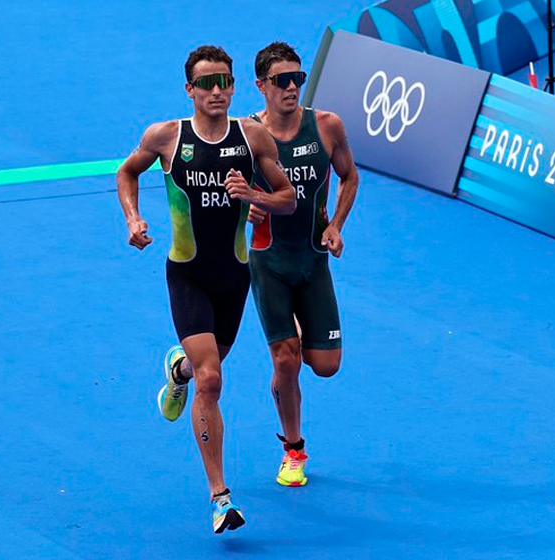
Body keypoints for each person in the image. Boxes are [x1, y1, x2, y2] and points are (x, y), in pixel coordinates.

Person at [116, 45, 296, 534]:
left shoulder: (251, 137)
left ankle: (178, 371)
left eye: (224, 82)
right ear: (189, 89)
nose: (216, 91)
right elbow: (127, 171)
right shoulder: (167, 137)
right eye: (206, 83)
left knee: (201, 371)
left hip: (235, 277)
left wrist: (253, 195)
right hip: (188, 274)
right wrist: (133, 219)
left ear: (234, 87)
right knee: (212, 380)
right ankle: (221, 497)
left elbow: (287, 197)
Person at [247, 42, 359, 487]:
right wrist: (248, 210)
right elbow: (224, 194)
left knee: (326, 365)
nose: (292, 87)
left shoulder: (327, 126)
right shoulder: (247, 134)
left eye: (298, 77)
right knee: (287, 359)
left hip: (313, 260)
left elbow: (349, 176)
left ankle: (285, 369)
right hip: (267, 260)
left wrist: (336, 225)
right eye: (281, 80)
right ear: (261, 87)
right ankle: (293, 448)